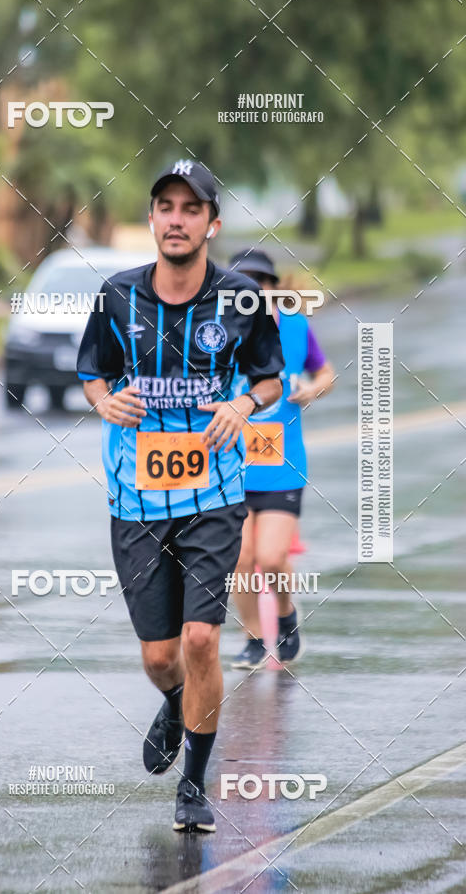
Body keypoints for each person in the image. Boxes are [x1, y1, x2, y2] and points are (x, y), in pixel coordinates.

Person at [76, 161, 284, 832]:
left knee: (200, 640)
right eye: (164, 206)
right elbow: (94, 377)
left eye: (190, 208)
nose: (175, 218)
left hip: (213, 496)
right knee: (161, 656)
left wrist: (244, 404)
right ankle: (174, 702)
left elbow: (271, 380)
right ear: (151, 219)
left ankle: (193, 786)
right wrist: (107, 403)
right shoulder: (116, 297)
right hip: (135, 501)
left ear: (211, 224)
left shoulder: (240, 302)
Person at [228, 249, 335, 670]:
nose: (254, 292)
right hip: (230, 468)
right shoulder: (216, 333)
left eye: (262, 283)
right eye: (244, 285)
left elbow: (325, 373)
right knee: (240, 558)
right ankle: (254, 639)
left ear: (274, 289)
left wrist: (313, 390)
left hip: (282, 468)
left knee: (271, 558)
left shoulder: (294, 327)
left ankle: (286, 618)